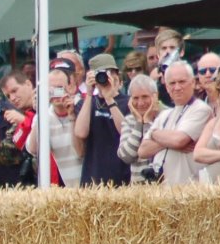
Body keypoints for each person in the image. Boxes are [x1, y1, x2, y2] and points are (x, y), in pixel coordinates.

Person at [137, 61, 211, 185]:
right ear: (166, 87)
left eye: (182, 82)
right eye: (172, 83)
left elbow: (179, 140)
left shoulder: (201, 109)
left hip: (189, 187)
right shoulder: (164, 114)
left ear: (193, 82)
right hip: (164, 190)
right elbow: (143, 151)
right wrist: (166, 141)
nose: (177, 87)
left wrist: (155, 135)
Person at [72, 55, 131, 187]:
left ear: (117, 75)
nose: (104, 77)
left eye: (109, 72)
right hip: (92, 178)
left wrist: (109, 99)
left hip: (121, 177)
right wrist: (88, 94)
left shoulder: (128, 102)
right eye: (100, 74)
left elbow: (125, 131)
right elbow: (81, 133)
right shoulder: (87, 103)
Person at [114, 75, 164, 183]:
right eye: (135, 98)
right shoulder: (129, 121)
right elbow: (126, 156)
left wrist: (148, 121)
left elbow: (150, 151)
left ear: (155, 96)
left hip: (164, 186)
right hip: (138, 192)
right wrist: (139, 123)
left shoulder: (166, 116)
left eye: (145, 97)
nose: (140, 103)